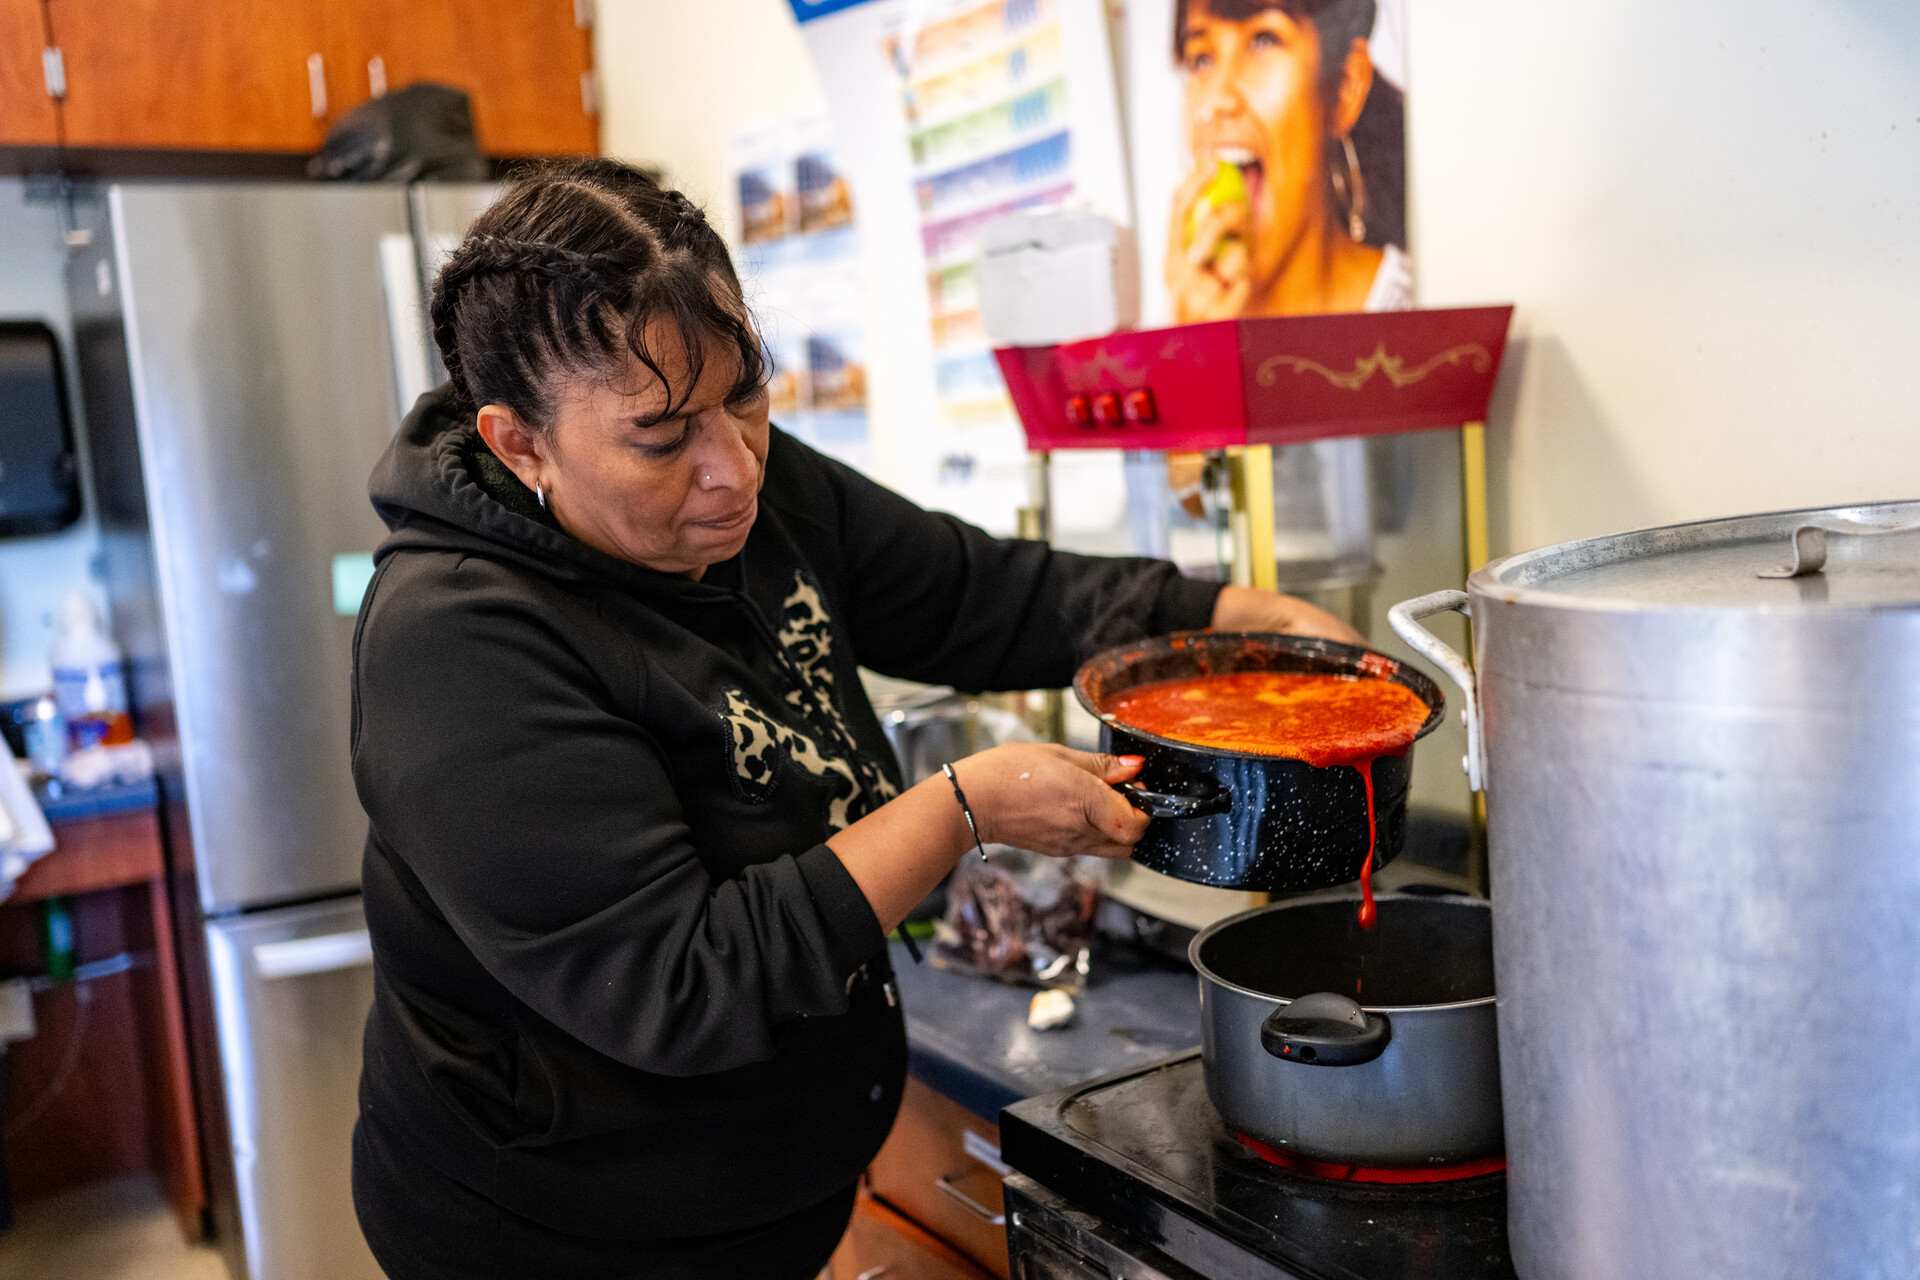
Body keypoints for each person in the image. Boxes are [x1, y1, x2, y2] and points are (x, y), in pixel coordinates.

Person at [348, 157, 1361, 1279]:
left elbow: (988, 594)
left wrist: (1239, 622)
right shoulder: (455, 644)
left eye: (747, 392)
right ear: (518, 442)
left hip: (772, 1206)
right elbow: (687, 981)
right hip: (561, 1238)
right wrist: (964, 807)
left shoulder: (745, 488)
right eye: (661, 436)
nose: (732, 467)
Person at [1165, 0, 1408, 322]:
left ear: (1346, 85)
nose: (1216, 102)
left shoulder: (1424, 317)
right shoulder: (1174, 328)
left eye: (1263, 40)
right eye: (1201, 59)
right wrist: (1192, 349)